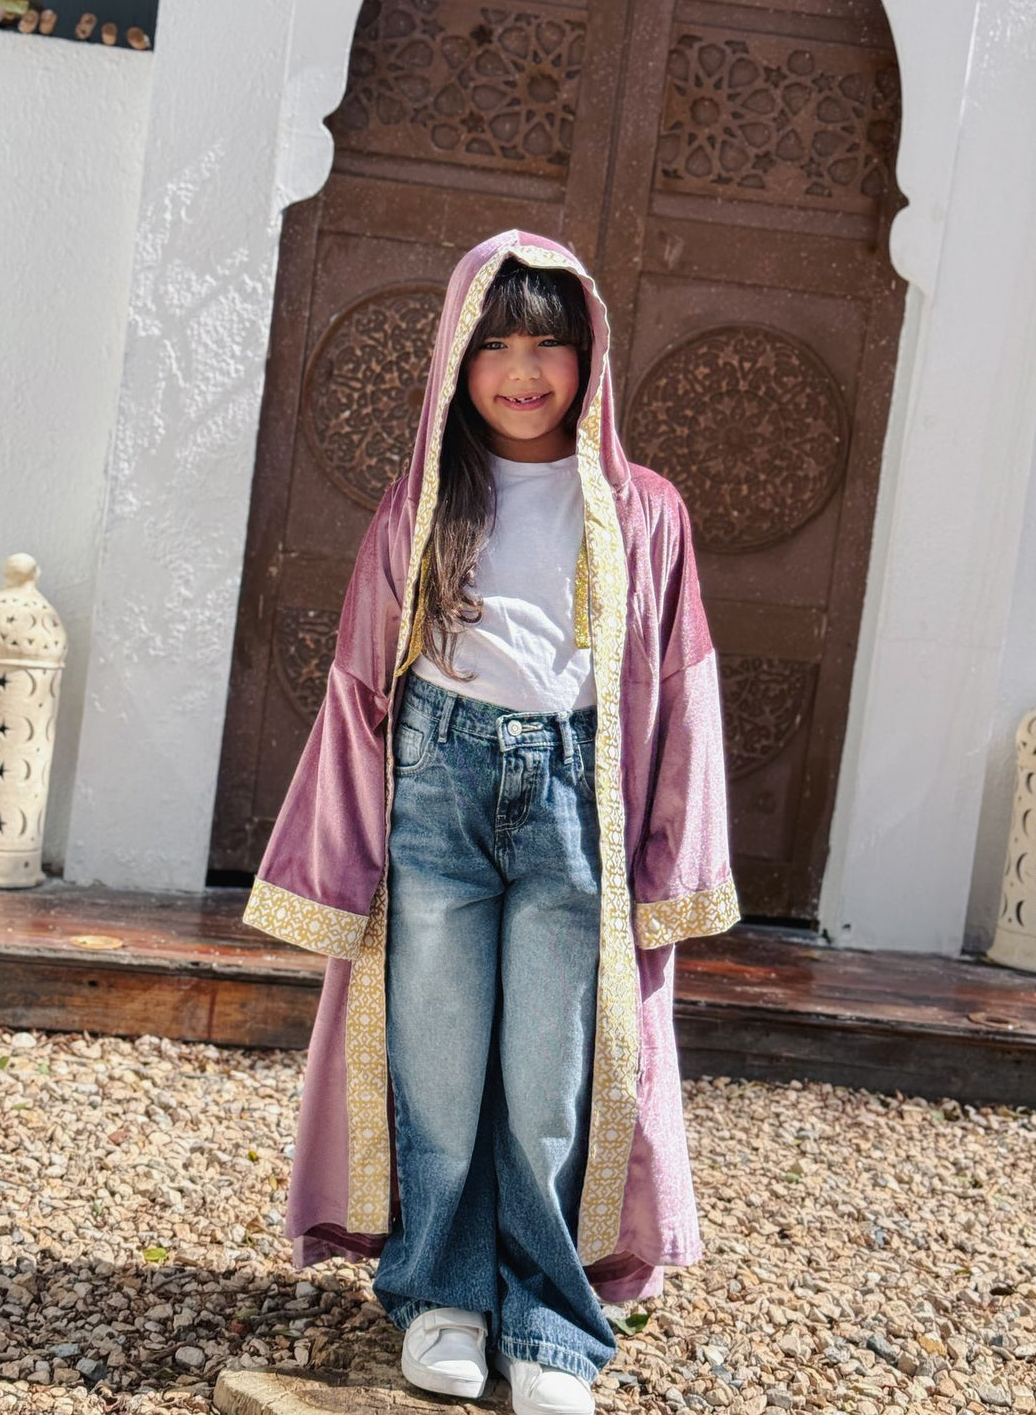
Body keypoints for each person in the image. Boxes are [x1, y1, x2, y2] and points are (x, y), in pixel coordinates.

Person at [242, 230, 740, 1415]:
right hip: (437, 797)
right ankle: (443, 1297)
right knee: (439, 1065)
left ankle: (549, 1324)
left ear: (590, 356)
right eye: (497, 344)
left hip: (576, 805)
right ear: (457, 362)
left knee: (550, 1080)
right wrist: (335, 861)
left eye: (548, 345)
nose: (523, 371)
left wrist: (672, 862)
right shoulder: (419, 506)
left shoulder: (646, 511)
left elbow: (683, 689)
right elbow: (361, 687)